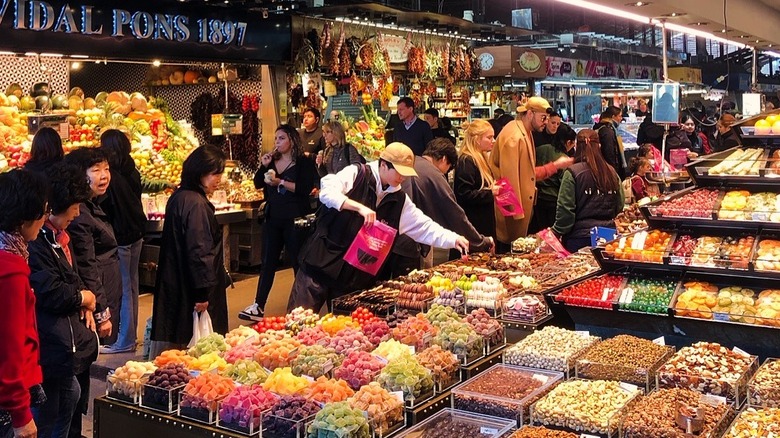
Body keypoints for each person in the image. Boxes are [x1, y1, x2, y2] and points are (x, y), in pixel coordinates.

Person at [287, 142, 470, 312]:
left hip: (352, 279)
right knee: (297, 324)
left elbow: (423, 227)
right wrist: (358, 207)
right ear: (383, 165)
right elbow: (327, 190)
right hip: (319, 265)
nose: (403, 177)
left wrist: (453, 239)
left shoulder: (399, 199)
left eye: (406, 172)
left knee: (344, 335)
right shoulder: (357, 174)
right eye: (399, 171)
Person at [27, 163, 98, 438]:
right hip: (50, 347)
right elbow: (50, 290)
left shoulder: (54, 237)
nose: (78, 213)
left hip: (62, 345)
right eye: (76, 205)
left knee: (70, 396)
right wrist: (82, 297)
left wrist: (86, 300)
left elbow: (70, 275)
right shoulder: (35, 241)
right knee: (48, 415)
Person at [150, 146, 230, 358]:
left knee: (177, 346)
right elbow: (199, 251)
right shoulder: (196, 204)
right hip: (191, 287)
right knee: (195, 351)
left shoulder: (180, 197)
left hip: (178, 282)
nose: (219, 179)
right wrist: (202, 293)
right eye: (214, 173)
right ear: (199, 172)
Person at [240, 126, 318, 320]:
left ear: (291, 140)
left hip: (296, 219)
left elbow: (304, 188)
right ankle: (258, 305)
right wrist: (263, 165)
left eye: (281, 138)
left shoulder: (303, 163)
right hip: (273, 218)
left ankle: (303, 306)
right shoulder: (272, 162)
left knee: (298, 262)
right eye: (275, 138)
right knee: (267, 262)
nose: (277, 142)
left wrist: (280, 182)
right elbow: (258, 183)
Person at [387, 138, 493, 274]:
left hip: (390, 239)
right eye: (447, 169)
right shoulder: (434, 174)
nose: (445, 173)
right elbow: (455, 215)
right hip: (408, 244)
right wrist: (481, 242)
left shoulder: (414, 164)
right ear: (443, 159)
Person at [0, 169, 48, 438]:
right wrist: (21, 415)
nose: (44, 218)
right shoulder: (11, 271)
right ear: (24, 217)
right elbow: (9, 348)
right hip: (7, 405)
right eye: (43, 210)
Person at [490, 96, 573, 248]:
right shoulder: (514, 137)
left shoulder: (524, 133)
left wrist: (554, 166)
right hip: (511, 213)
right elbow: (508, 181)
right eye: (543, 118)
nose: (546, 122)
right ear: (530, 114)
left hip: (520, 210)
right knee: (509, 255)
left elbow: (528, 174)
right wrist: (516, 215)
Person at [98, 129, 147, 354]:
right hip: (136, 233)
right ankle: (130, 335)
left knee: (124, 288)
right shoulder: (132, 170)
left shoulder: (111, 177)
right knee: (132, 286)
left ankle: (125, 340)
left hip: (121, 236)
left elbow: (108, 207)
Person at [64, 148, 117, 346]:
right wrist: (102, 312)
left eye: (106, 169)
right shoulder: (80, 215)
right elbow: (87, 265)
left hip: (103, 289)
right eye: (96, 170)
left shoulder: (92, 205)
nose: (104, 175)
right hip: (94, 297)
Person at [551, 129, 624, 253]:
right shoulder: (611, 171)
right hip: (608, 237)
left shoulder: (572, 172)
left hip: (578, 238)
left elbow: (565, 210)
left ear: (576, 146)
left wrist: (556, 232)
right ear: (599, 146)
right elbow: (620, 204)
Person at [529, 123, 577, 234]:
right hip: (553, 200)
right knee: (550, 234)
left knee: (538, 231)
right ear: (568, 142)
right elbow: (565, 184)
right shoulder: (564, 160)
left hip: (537, 198)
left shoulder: (539, 149)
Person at [455, 120, 498, 241]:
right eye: (489, 137)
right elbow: (464, 194)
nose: (493, 141)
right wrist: (490, 192)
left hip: (482, 220)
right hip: (474, 224)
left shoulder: (481, 157)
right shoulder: (467, 161)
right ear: (477, 139)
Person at [594, 106, 626, 180]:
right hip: (609, 169)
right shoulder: (608, 131)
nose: (621, 118)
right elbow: (609, 152)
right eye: (620, 116)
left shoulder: (604, 128)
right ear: (613, 116)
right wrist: (612, 170)